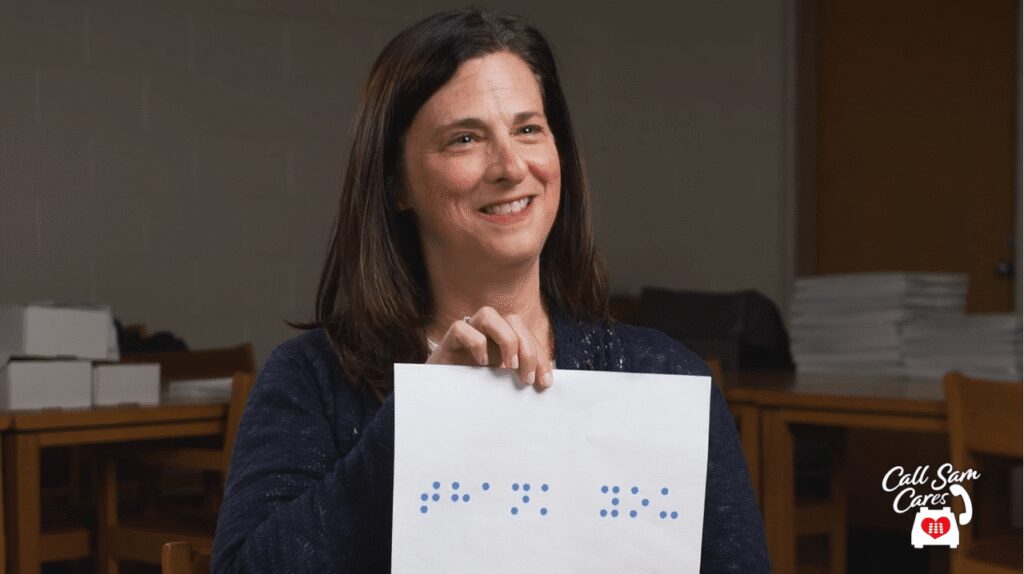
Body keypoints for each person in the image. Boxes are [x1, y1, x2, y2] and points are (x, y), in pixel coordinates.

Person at [211, 7, 770, 573]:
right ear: (396, 184)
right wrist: (424, 422)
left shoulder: (665, 377)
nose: (509, 165)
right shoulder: (312, 381)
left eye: (528, 129)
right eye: (464, 139)